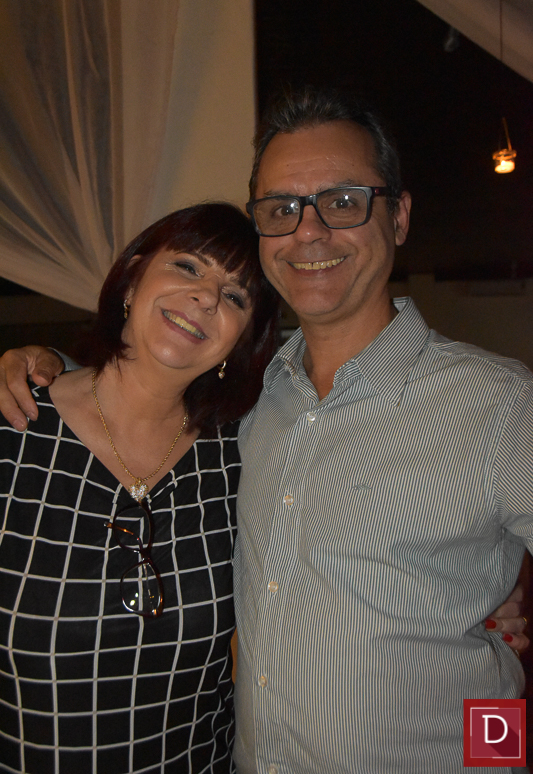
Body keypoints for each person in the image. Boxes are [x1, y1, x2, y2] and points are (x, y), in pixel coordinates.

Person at [0, 89, 530, 773]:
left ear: (397, 217)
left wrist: (502, 743)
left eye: (343, 201)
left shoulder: (498, 404)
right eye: (281, 209)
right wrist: (42, 366)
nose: (308, 231)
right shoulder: (246, 415)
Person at [0, 202, 279, 774]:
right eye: (187, 266)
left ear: (241, 341)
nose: (206, 296)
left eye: (235, 296)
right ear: (132, 280)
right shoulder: (15, 426)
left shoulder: (241, 458)